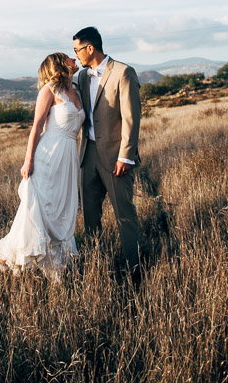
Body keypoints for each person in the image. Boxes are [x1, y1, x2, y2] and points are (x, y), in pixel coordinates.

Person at [0, 52, 85, 279]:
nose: (74, 60)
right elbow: (36, 127)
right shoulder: (49, 91)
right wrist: (29, 160)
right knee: (39, 210)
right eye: (69, 58)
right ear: (59, 64)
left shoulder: (77, 90)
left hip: (68, 159)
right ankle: (8, 257)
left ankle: (57, 265)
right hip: (48, 156)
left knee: (62, 210)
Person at [73, 26, 143, 276]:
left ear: (90, 48)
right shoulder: (82, 77)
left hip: (116, 157)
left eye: (77, 50)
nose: (76, 55)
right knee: (90, 215)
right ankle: (97, 264)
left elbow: (131, 118)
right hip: (87, 155)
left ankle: (133, 266)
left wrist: (126, 155)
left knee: (124, 213)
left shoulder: (123, 72)